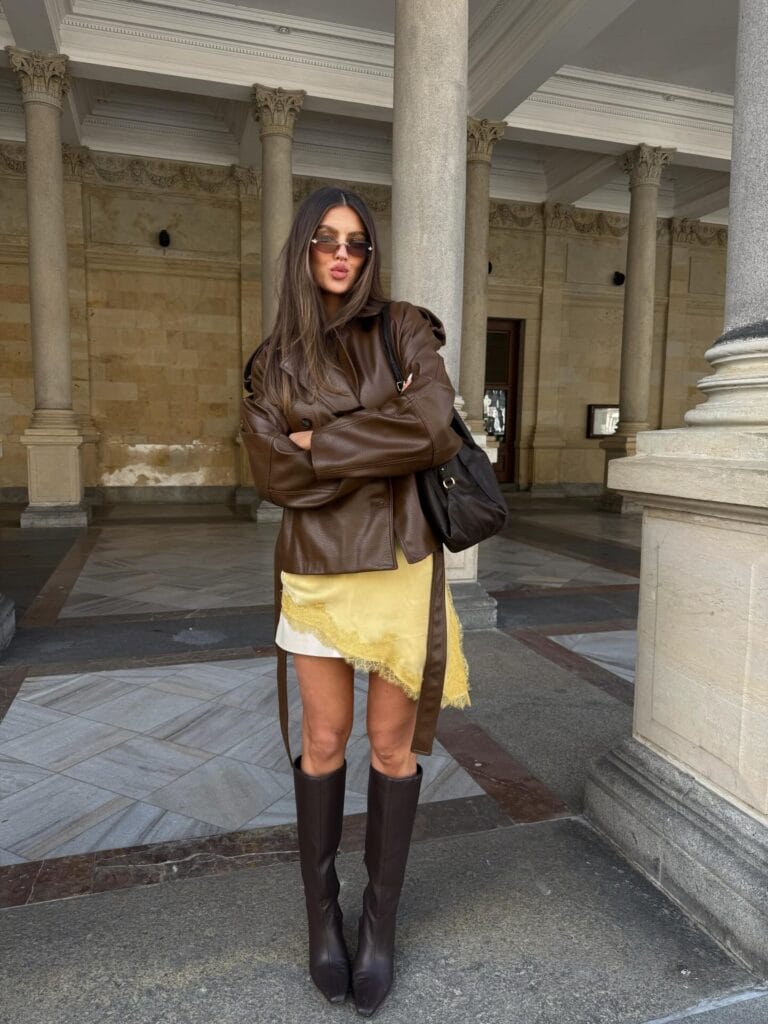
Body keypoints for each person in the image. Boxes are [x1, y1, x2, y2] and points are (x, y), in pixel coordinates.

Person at [241, 185, 470, 1016]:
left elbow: (436, 423)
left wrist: (321, 441)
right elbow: (271, 473)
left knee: (389, 749)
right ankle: (322, 918)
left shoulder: (404, 326)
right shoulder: (272, 361)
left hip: (401, 562)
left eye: (358, 243)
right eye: (328, 241)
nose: (343, 254)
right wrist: (382, 440)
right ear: (304, 250)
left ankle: (378, 925)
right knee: (326, 739)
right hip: (314, 571)